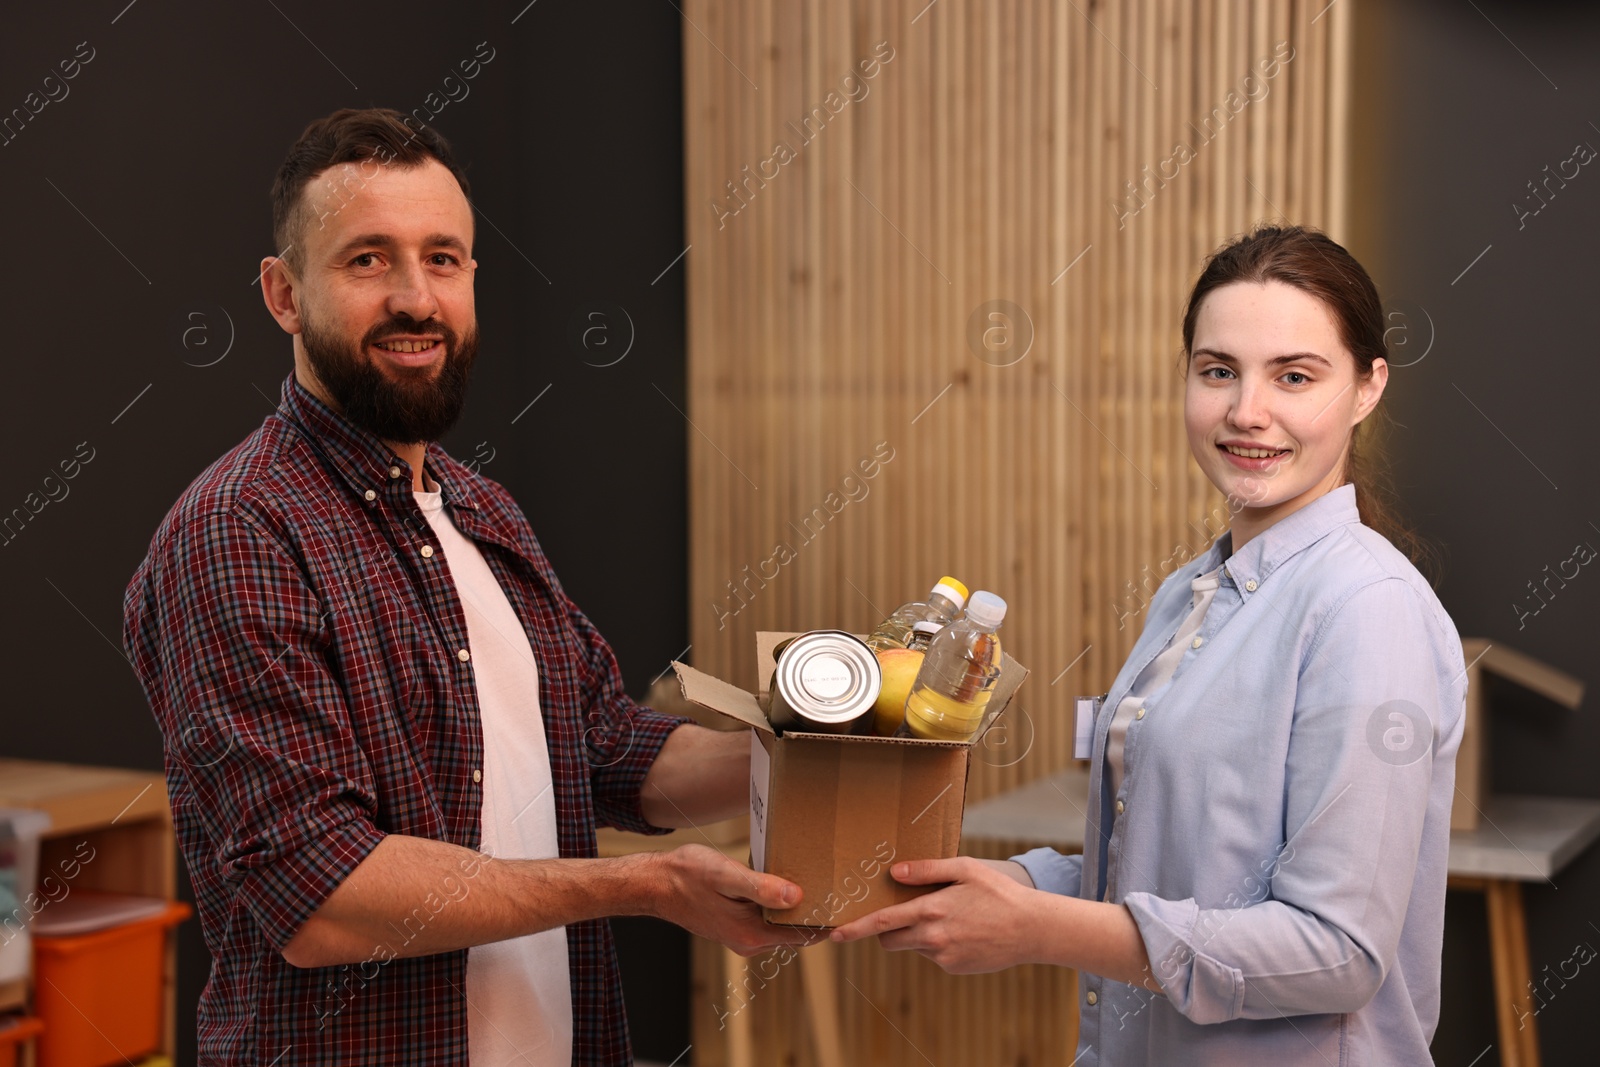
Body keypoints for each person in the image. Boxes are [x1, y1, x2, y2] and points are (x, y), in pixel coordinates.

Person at [123, 107, 806, 1066]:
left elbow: (606, 747)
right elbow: (322, 896)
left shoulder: (482, 509)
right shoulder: (238, 532)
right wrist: (643, 885)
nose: (416, 297)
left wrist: (817, 749)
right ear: (283, 294)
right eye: (368, 260)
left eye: (443, 258)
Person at [834, 226, 1465, 1065]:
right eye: (1218, 371)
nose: (1247, 411)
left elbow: (1336, 949)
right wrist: (1017, 887)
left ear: (1366, 387)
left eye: (1295, 376)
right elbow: (1164, 865)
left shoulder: (1367, 611)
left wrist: (1047, 930)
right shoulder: (1188, 594)